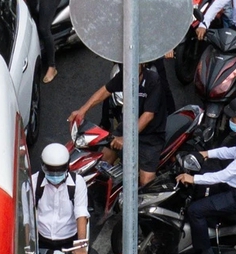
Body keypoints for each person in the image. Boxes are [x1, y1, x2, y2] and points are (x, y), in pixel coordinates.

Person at [176, 94, 236, 254]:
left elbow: (225, 175)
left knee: (195, 210)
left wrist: (193, 178)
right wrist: (207, 153)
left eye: (234, 118)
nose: (231, 120)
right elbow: (232, 152)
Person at [66, 57, 173, 187]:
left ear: (143, 64)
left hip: (150, 136)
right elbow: (105, 91)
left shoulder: (153, 80)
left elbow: (148, 115)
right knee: (103, 161)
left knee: (146, 181)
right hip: (127, 128)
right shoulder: (125, 76)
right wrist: (82, 110)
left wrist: (126, 138)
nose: (129, 69)